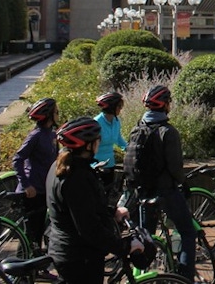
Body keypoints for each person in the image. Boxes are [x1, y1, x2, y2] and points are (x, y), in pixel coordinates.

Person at [46, 117, 145, 283]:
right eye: (97, 140)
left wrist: (112, 211)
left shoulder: (63, 167)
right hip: (79, 256)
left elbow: (84, 207)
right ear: (88, 145)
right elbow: (89, 227)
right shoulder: (76, 177)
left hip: (69, 251)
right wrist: (125, 247)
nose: (99, 143)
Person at [130, 85, 196, 279]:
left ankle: (142, 277)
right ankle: (185, 278)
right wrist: (183, 183)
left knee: (146, 239)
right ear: (166, 105)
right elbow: (175, 167)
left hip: (143, 192)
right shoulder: (168, 131)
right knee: (187, 232)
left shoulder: (137, 129)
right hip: (165, 191)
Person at [12, 97, 59, 253]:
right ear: (48, 115)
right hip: (32, 191)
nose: (58, 114)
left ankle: (36, 266)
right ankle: (23, 271)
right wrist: (26, 185)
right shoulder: (36, 135)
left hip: (44, 189)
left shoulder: (52, 134)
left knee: (39, 230)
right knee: (30, 233)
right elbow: (17, 159)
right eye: (56, 111)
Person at [93, 91, 128, 194]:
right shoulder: (96, 123)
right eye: (119, 106)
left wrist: (130, 149)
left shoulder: (116, 121)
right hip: (97, 165)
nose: (121, 109)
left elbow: (118, 139)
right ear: (112, 107)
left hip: (110, 164)